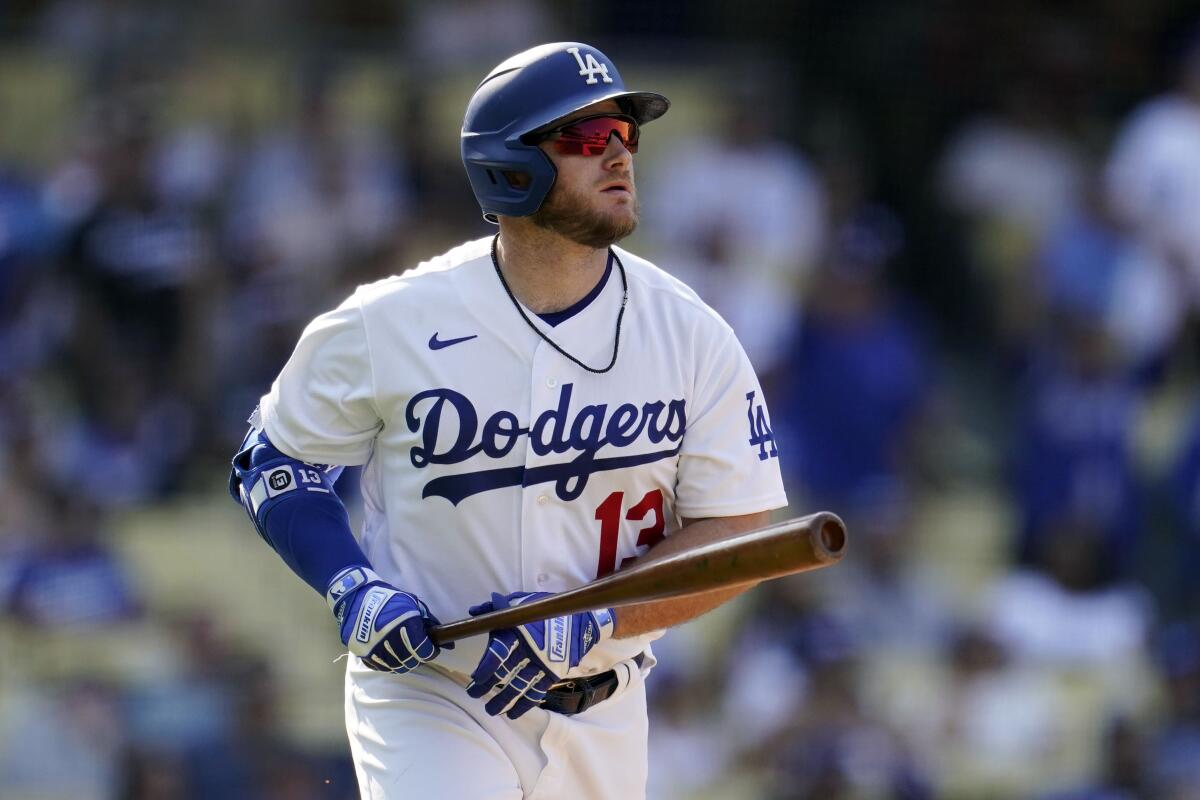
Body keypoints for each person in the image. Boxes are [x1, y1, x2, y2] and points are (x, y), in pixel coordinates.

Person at [227, 42, 787, 799]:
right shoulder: (390, 320)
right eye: (587, 139)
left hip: (607, 705)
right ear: (509, 166)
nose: (617, 156)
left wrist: (597, 620)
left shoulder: (693, 334)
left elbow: (741, 535)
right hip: (435, 692)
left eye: (626, 135)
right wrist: (351, 584)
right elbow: (273, 463)